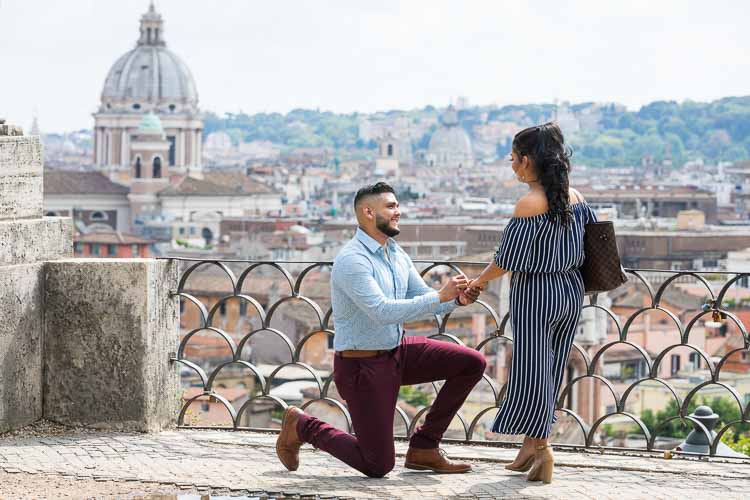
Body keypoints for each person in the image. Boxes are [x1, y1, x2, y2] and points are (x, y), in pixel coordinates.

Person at [276, 182, 487, 478]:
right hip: (362, 366)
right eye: (391, 206)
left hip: (396, 352)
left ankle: (424, 447)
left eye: (397, 205)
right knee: (378, 465)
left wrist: (456, 299)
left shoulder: (395, 253)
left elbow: (421, 296)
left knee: (471, 363)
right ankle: (302, 426)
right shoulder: (352, 260)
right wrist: (441, 296)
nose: (398, 212)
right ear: (367, 212)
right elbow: (382, 311)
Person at [468, 123, 596, 484]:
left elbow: (506, 259)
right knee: (550, 372)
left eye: (512, 158)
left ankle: (542, 450)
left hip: (536, 294)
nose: (511, 166)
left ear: (527, 161)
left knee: (532, 371)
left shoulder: (529, 204)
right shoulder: (577, 197)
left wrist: (477, 282)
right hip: (571, 290)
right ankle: (530, 445)